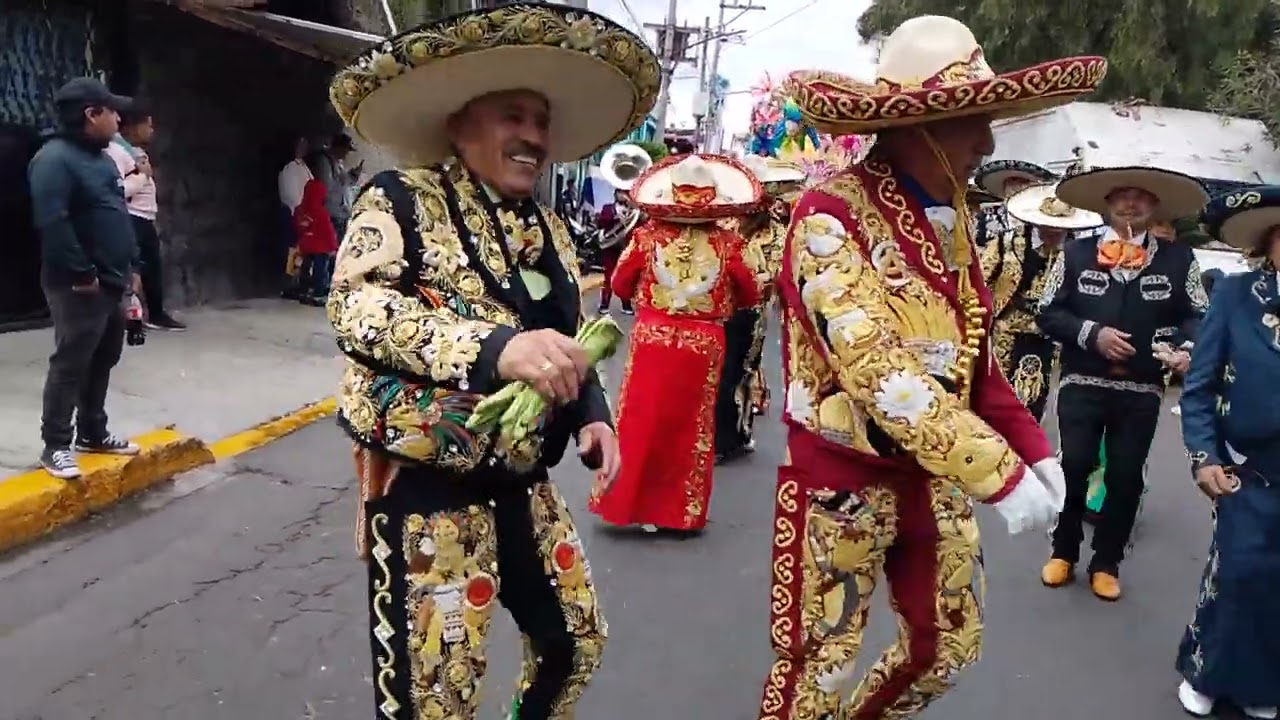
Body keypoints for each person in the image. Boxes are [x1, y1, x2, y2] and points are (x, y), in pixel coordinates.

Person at [760, 17, 1099, 717]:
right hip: (842, 483)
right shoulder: (828, 216)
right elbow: (876, 369)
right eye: (973, 122)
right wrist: (998, 471)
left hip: (935, 479)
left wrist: (1035, 450)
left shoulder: (952, 220)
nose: (988, 144)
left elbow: (974, 356)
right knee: (817, 671)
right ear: (918, 127)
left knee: (946, 649)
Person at [326, 5, 658, 718]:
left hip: (524, 479)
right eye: (513, 116)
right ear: (460, 126)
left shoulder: (553, 229)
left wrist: (591, 412)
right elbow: (357, 307)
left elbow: (568, 337)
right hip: (427, 483)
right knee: (437, 698)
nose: (533, 136)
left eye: (541, 122)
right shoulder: (400, 200)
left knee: (574, 645)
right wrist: (495, 349)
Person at [1037, 164, 1210, 601]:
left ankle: (1107, 562)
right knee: (1074, 464)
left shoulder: (1180, 259)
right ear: (1107, 203)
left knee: (1127, 475)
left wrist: (1185, 348)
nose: (1131, 204)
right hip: (1082, 378)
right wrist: (1092, 334)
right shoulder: (1075, 252)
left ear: (1155, 206)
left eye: (1141, 197)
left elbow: (1199, 315)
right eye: (1122, 196)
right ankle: (1063, 551)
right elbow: (1048, 311)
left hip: (1143, 386)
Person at [587, 154, 762, 534]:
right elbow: (751, 293)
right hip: (703, 342)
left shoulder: (646, 237)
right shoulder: (730, 244)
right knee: (691, 428)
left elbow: (619, 284)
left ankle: (628, 503)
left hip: (653, 339)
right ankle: (678, 513)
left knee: (640, 421)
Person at [1173, 186, 1280, 720]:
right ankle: (1207, 673)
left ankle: (1262, 684)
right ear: (1269, 242)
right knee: (1238, 572)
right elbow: (1199, 387)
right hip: (1247, 467)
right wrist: (1204, 455)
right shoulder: (1237, 295)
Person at [29, 78, 144, 480]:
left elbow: (116, 214)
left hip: (112, 280)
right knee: (71, 362)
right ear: (91, 114)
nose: (119, 119)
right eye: (111, 111)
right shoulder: (53, 160)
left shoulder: (102, 159)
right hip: (78, 285)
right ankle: (55, 445)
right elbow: (53, 223)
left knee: (104, 357)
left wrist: (132, 267)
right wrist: (82, 273)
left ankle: (93, 432)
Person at [982, 182, 1101, 421]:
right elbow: (982, 280)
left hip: (1050, 334)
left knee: (1035, 394)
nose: (1055, 233)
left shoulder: (1076, 252)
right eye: (1049, 227)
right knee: (998, 392)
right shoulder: (1007, 243)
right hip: (1007, 329)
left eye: (1061, 228)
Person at [713, 154, 804, 463]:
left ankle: (733, 436)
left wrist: (743, 281)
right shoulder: (725, 224)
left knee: (738, 375)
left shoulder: (777, 234)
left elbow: (775, 276)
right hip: (717, 312)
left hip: (751, 315)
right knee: (717, 375)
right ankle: (717, 435)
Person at [105, 101, 186, 331]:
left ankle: (152, 312)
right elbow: (117, 189)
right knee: (137, 269)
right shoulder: (116, 152)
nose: (152, 130)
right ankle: (138, 316)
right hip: (132, 217)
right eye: (147, 125)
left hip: (144, 217)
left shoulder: (134, 152)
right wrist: (143, 177)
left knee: (151, 267)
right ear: (132, 127)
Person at [973, 159, 1056, 247]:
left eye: (1023, 182)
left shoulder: (1045, 217)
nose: (1016, 186)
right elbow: (978, 245)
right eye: (1011, 181)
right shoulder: (986, 216)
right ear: (1004, 188)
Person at [293, 158, 338, 306]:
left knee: (305, 268)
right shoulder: (321, 213)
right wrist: (334, 247)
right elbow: (329, 232)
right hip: (321, 248)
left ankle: (303, 291)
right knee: (320, 271)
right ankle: (318, 294)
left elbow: (299, 227)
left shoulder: (301, 210)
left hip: (307, 246)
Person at [310, 132, 363, 240]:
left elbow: (346, 181)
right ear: (338, 147)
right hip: (329, 213)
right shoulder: (323, 161)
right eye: (345, 150)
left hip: (339, 214)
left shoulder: (338, 164)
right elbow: (326, 187)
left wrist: (354, 175)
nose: (346, 154)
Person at [277, 134, 311, 299]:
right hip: (293, 213)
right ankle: (289, 286)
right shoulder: (290, 168)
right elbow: (291, 194)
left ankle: (296, 284)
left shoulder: (302, 166)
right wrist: (301, 212)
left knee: (298, 253)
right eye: (300, 145)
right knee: (292, 252)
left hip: (302, 214)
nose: (303, 148)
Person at [596, 188, 639, 315]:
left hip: (626, 247)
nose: (622, 195)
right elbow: (600, 223)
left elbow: (641, 224)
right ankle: (604, 304)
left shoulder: (634, 211)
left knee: (625, 277)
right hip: (610, 247)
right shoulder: (608, 208)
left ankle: (626, 305)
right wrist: (615, 217)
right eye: (620, 192)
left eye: (625, 193)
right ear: (615, 194)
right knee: (608, 276)